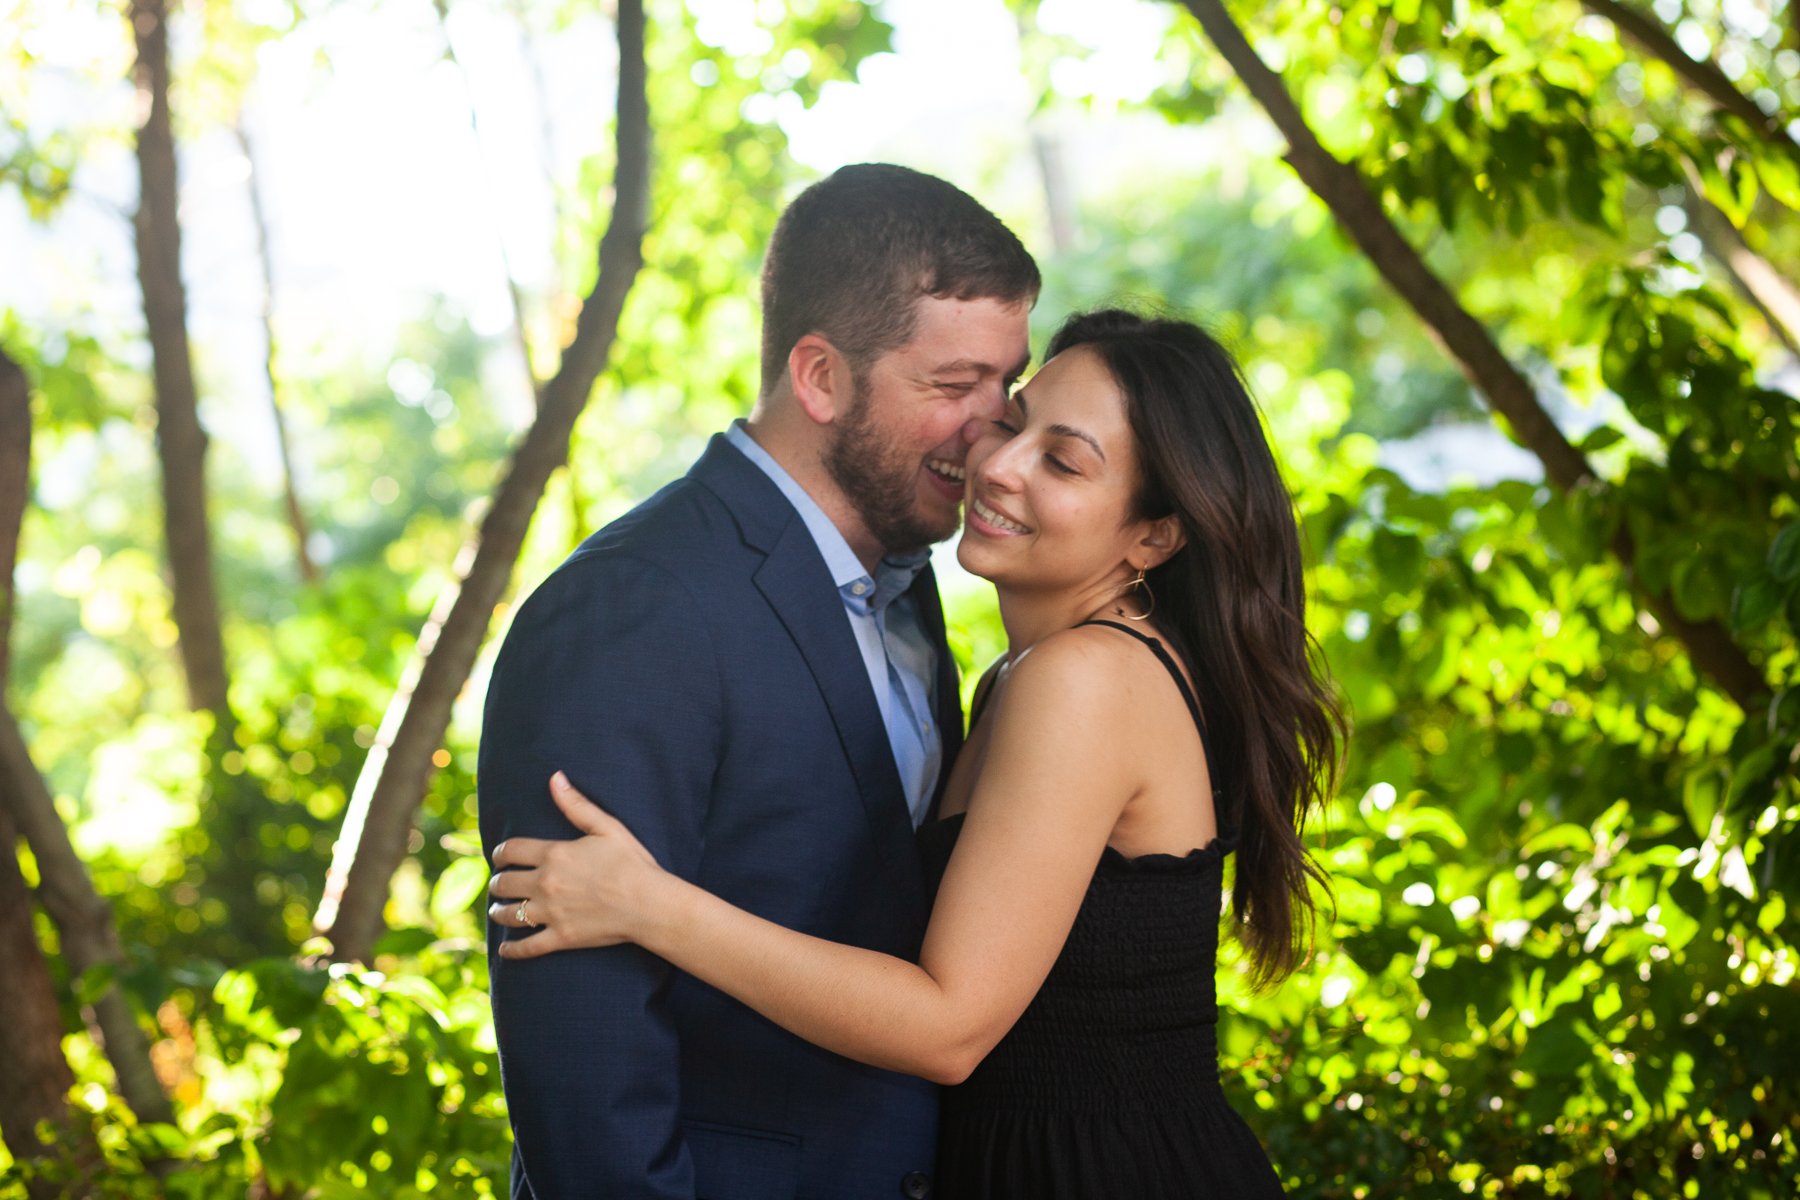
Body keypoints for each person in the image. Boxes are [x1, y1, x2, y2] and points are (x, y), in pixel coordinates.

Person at [488, 309, 1346, 1198]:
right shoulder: (1020, 674)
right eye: (1014, 424)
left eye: (1062, 460)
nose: (999, 465)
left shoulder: (1087, 679)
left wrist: (651, 905)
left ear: (1154, 535)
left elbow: (947, 1026)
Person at [477, 163, 1038, 1199]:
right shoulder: (631, 610)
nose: (995, 432)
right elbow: (584, 1070)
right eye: (954, 387)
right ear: (820, 377)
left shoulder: (908, 588)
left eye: (1007, 384)